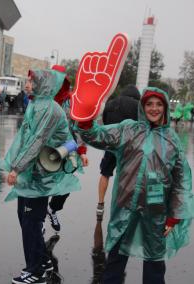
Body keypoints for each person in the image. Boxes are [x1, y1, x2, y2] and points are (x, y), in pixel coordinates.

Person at [76, 87, 194, 283]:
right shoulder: (129, 129)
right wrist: (86, 121)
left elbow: (182, 181)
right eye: (149, 104)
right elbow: (98, 136)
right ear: (142, 106)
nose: (154, 108)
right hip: (124, 206)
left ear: (165, 108)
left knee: (154, 266)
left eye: (159, 104)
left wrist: (174, 215)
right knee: (115, 262)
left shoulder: (172, 140)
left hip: (156, 212)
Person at [3, 68, 81, 284]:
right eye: (28, 80)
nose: (28, 84)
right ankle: (43, 260)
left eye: (32, 80)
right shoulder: (39, 104)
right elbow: (26, 138)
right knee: (26, 218)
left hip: (42, 175)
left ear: (43, 84)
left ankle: (35, 271)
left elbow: (36, 141)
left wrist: (16, 167)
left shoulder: (49, 108)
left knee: (31, 221)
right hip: (33, 173)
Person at [46, 65, 89, 232]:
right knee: (43, 186)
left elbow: (78, 128)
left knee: (66, 186)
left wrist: (82, 152)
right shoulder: (42, 100)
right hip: (44, 151)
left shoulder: (71, 102)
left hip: (67, 149)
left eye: (60, 81)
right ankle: (39, 222)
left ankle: (52, 209)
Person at [96, 85, 140, 221]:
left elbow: (104, 121)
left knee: (105, 173)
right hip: (129, 146)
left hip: (111, 144)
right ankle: (122, 205)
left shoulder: (111, 103)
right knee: (126, 176)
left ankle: (100, 203)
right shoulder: (138, 106)